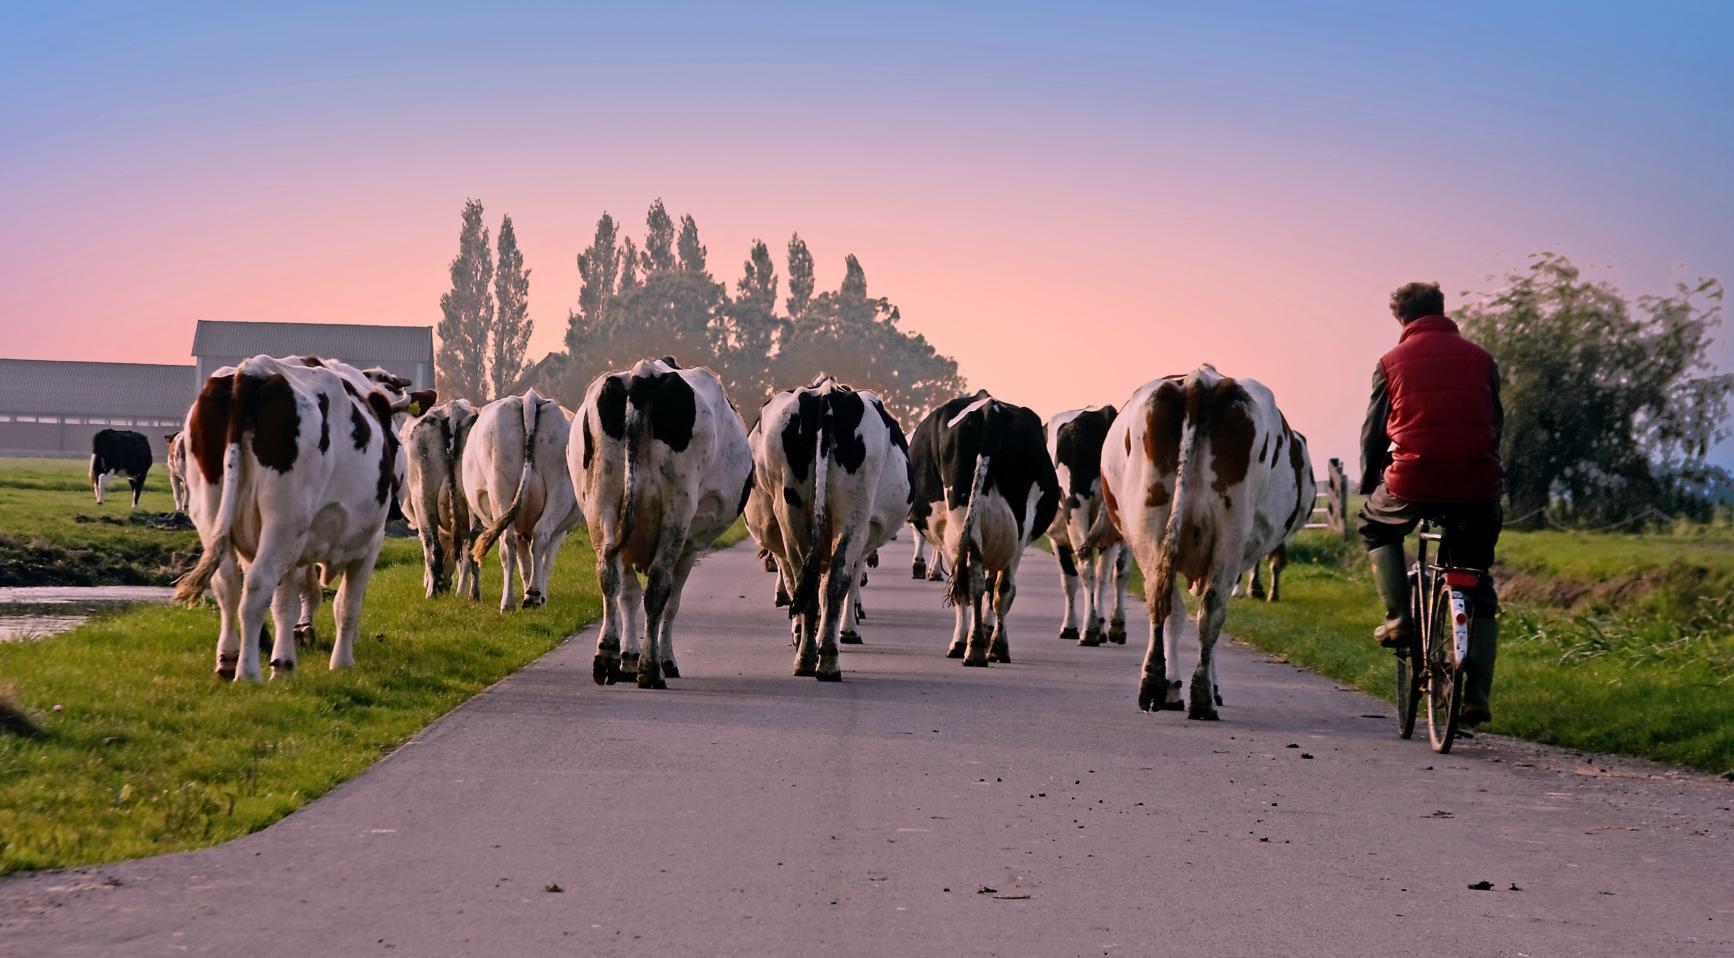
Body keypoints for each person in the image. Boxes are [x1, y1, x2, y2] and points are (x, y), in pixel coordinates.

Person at [1358, 282, 1504, 726]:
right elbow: (1495, 422)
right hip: (1477, 484)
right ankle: (1477, 693)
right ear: (1442, 310)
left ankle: (1400, 618)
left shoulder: (1390, 362)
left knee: (1376, 527)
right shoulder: (1482, 359)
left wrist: (1370, 482)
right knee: (1476, 583)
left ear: (1401, 319)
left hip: (1411, 479)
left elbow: (1374, 432)